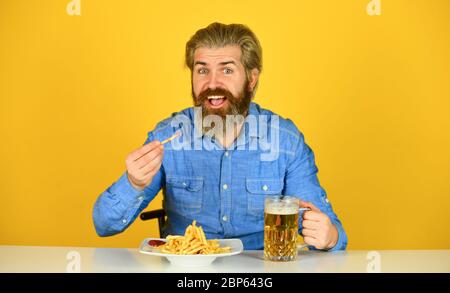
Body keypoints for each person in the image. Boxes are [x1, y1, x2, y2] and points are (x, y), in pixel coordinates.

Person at [93, 22, 347, 250]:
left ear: (251, 78)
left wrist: (330, 237)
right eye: (202, 70)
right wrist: (133, 183)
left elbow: (333, 234)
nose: (212, 83)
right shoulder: (168, 136)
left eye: (227, 71)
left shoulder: (286, 142)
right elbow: (104, 225)